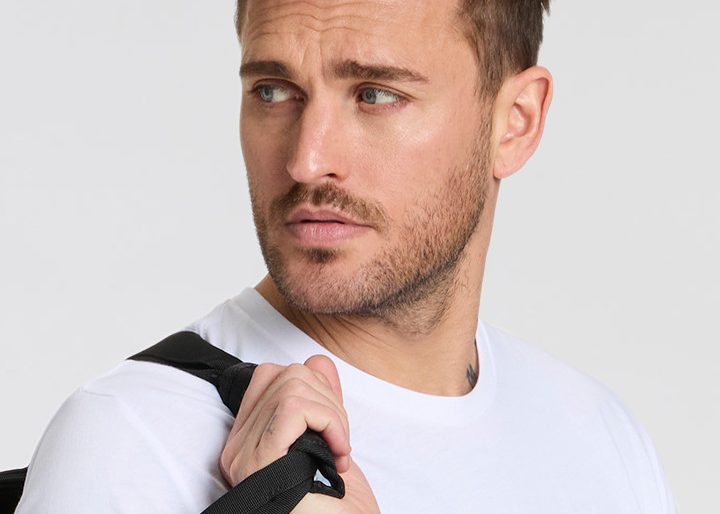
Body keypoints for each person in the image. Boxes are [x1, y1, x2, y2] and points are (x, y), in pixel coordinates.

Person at [16, 0, 677, 512]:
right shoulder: (133, 438)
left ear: (515, 122)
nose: (306, 160)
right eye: (273, 90)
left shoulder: (603, 438)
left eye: (375, 95)